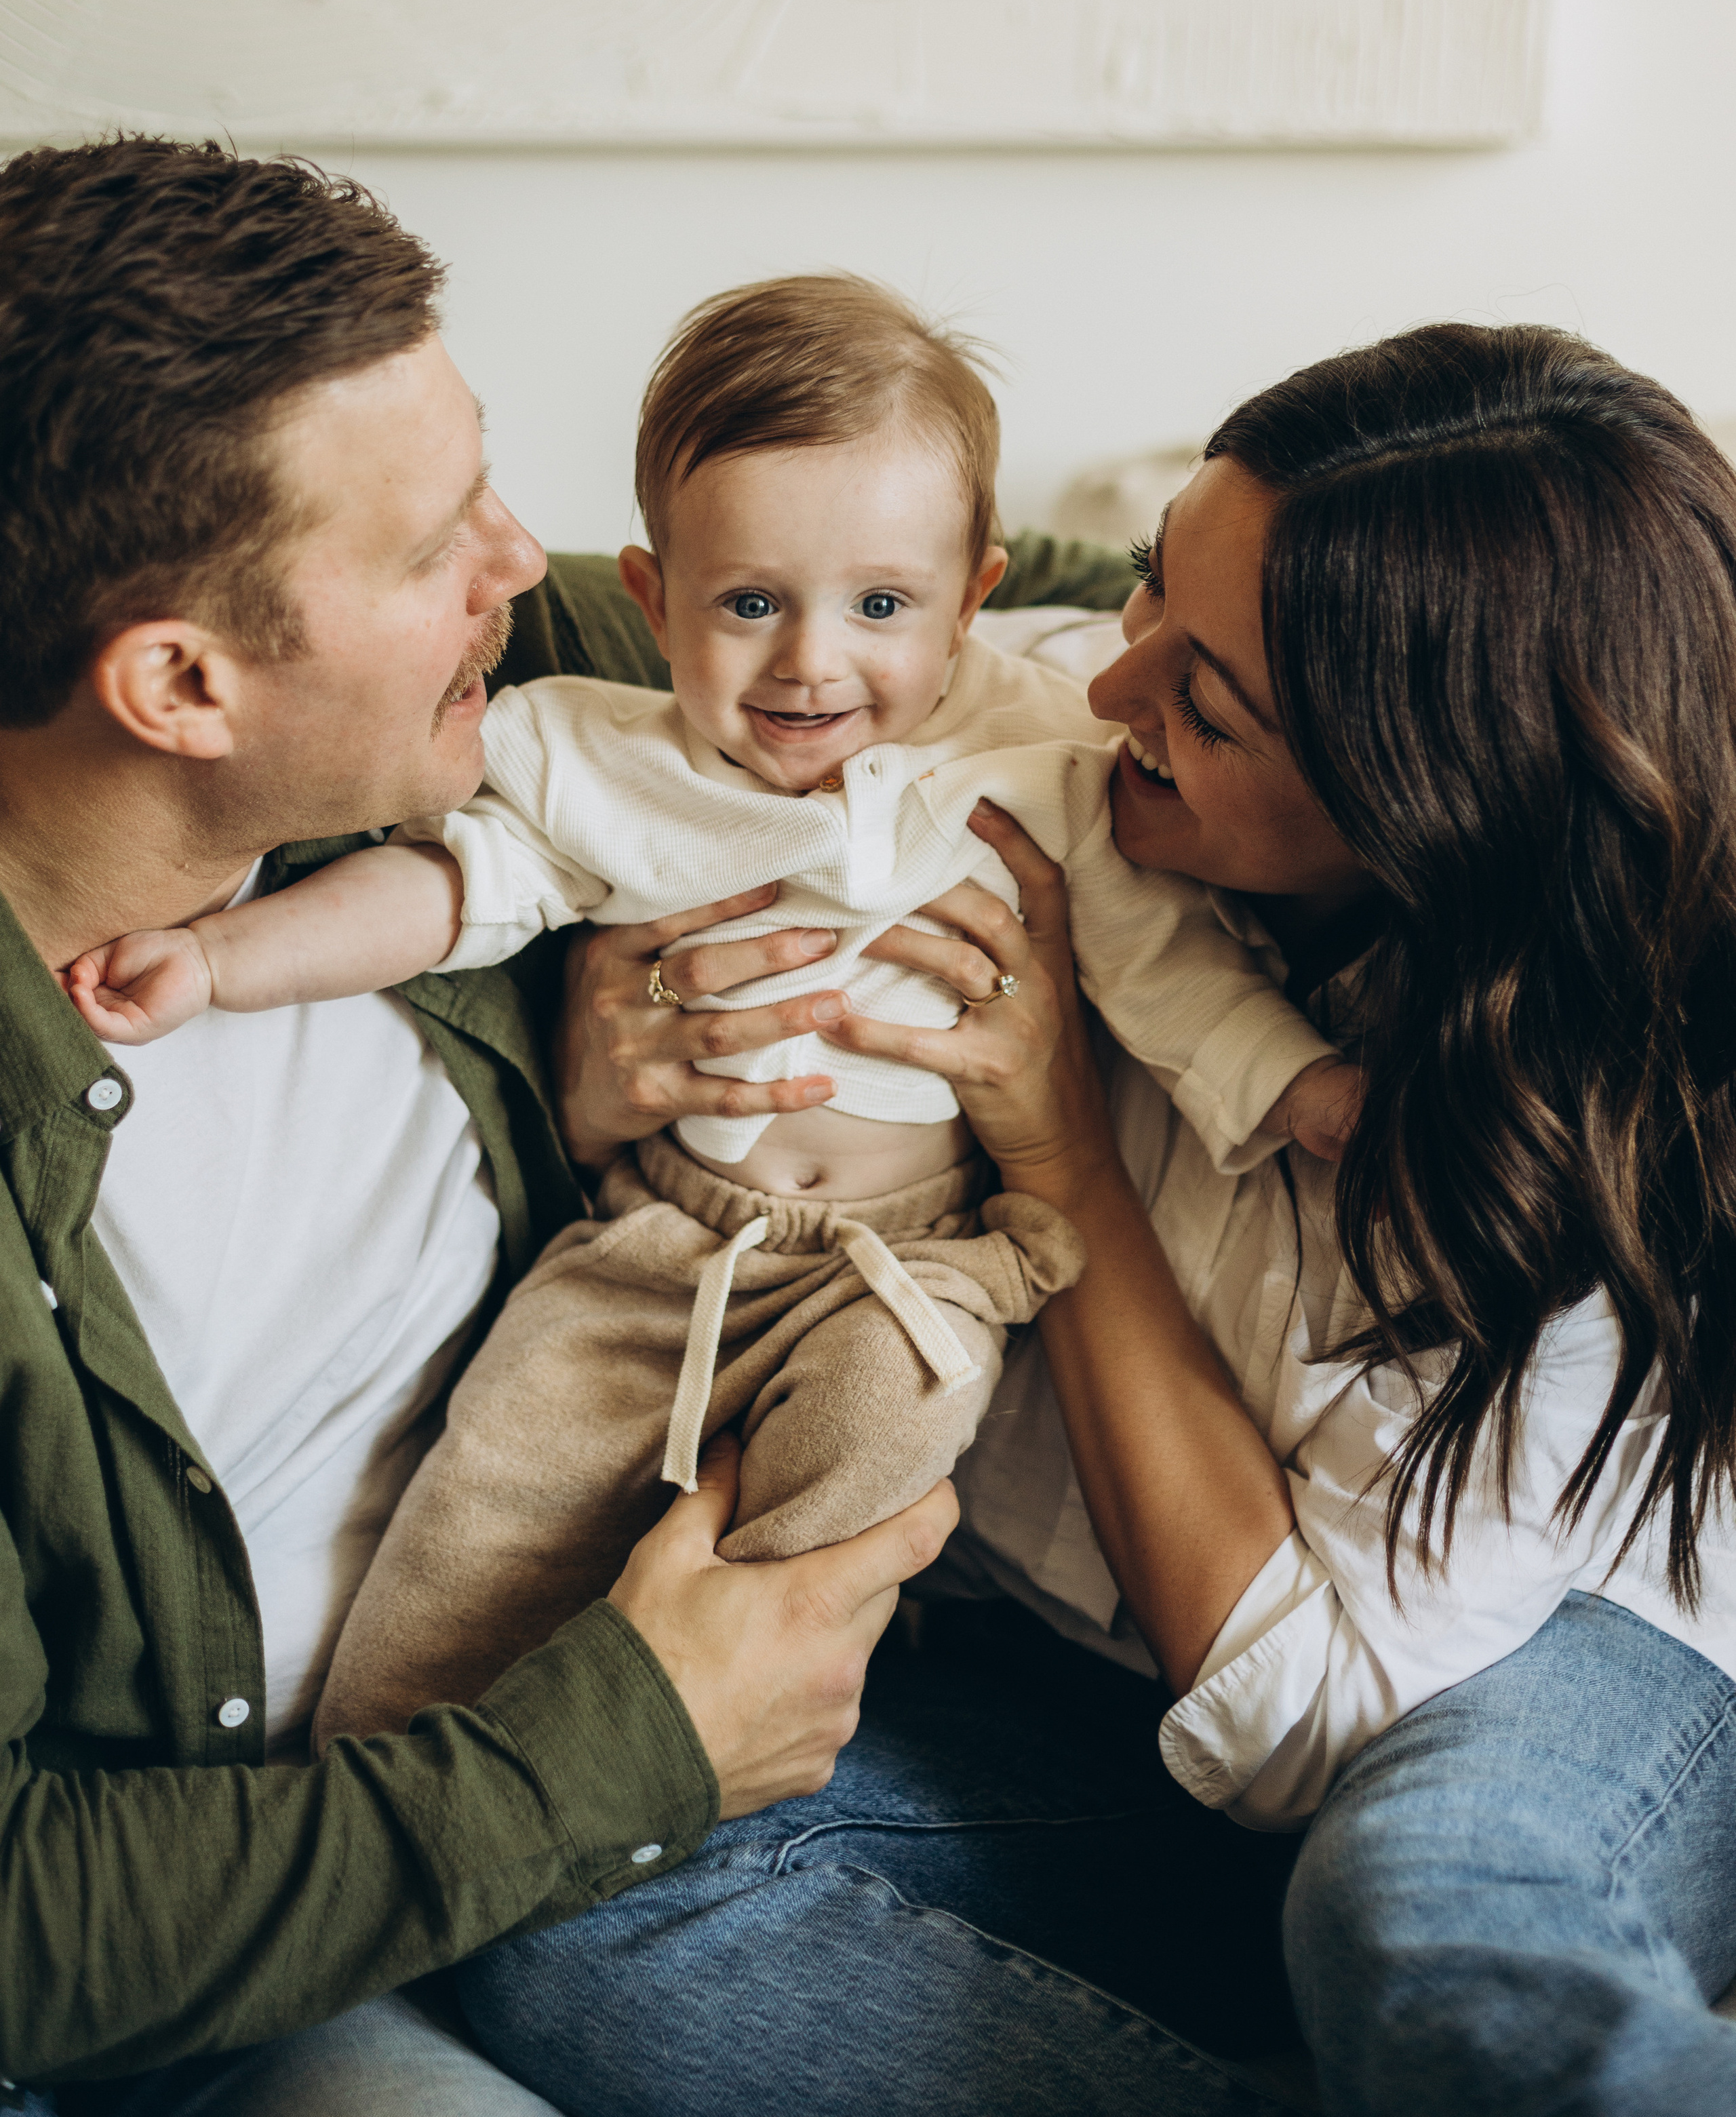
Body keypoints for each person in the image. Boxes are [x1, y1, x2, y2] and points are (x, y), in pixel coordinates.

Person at [454, 325, 1736, 2116]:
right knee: (563, 1881)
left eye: (1207, 701)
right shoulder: (1043, 713)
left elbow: (1314, 1725)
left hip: (1535, 1678)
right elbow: (687, 609)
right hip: (1077, 1704)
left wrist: (1062, 1158)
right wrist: (580, 1063)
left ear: (1421, 799)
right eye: (1145, 591)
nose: (1109, 686)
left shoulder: (1562, 1150)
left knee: (1421, 1915)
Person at [0, 138, 987, 2114]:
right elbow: (28, 1926)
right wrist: (638, 1741)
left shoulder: (434, 727)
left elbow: (922, 614)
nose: (518, 567)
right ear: (182, 681)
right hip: (249, 1953)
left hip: (700, 1643)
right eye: (438, 537)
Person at [64, 275, 1352, 1752]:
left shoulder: (1039, 752)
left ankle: (755, 1710)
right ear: (649, 597)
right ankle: (393, 1759)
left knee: (886, 1415)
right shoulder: (598, 754)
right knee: (494, 1496)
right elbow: (447, 890)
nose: (811, 662)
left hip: (905, 1255)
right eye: (748, 605)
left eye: (881, 607)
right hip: (652, 1247)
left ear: (973, 598)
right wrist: (223, 964)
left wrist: (1305, 1091)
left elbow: (1165, 967)